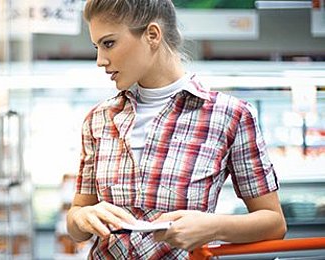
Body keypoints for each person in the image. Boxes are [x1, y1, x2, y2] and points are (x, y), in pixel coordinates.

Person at [66, 0, 287, 259]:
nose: (100, 60)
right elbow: (75, 223)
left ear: (152, 35)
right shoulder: (98, 119)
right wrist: (82, 216)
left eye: (109, 43)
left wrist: (213, 227)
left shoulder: (230, 116)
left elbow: (274, 223)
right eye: (96, 47)